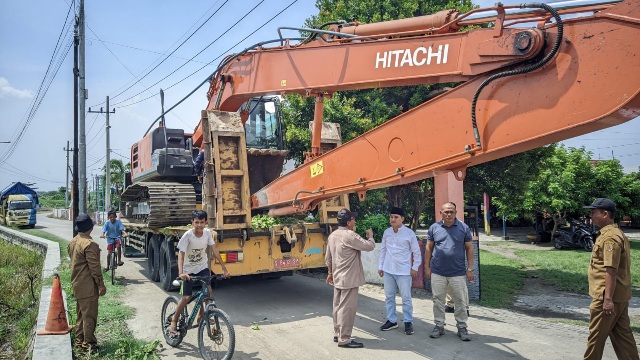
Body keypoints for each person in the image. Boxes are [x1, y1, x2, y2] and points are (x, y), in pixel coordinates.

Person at [582, 198, 639, 360]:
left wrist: (607, 299)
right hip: (619, 296)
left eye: (593, 212)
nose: (591, 216)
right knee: (623, 339)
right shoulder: (616, 233)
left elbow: (611, 270)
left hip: (606, 298)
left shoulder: (610, 238)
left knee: (595, 339)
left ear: (605, 214)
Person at [168, 210, 230, 338]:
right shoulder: (188, 236)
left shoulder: (207, 233)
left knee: (208, 292)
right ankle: (174, 321)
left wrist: (224, 268)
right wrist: (181, 272)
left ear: (206, 223)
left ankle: (202, 315)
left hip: (202, 267)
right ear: (192, 223)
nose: (199, 225)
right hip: (188, 270)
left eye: (202, 222)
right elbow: (181, 255)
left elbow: (214, 250)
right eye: (197, 222)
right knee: (186, 298)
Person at [326, 208, 375, 348]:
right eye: (353, 219)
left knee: (337, 307)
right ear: (348, 222)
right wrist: (370, 236)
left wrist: (330, 273)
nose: (355, 221)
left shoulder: (333, 235)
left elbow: (328, 258)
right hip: (349, 278)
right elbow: (369, 246)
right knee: (347, 309)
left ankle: (337, 333)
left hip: (337, 277)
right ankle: (345, 338)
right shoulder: (349, 235)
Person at [425, 202, 474, 341]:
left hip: (458, 273)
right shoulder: (434, 228)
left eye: (451, 211)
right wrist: (427, 268)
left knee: (460, 301)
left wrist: (470, 268)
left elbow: (470, 249)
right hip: (438, 272)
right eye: (446, 211)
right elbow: (429, 248)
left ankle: (462, 327)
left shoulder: (463, 228)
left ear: (456, 212)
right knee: (438, 301)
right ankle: (439, 326)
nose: (449, 214)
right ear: (441, 213)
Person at [378, 207, 421, 335]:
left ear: (402, 218)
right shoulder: (387, 232)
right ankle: (392, 320)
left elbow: (416, 252)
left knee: (406, 298)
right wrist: (380, 266)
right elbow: (383, 250)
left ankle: (408, 321)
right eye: (391, 217)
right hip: (388, 270)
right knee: (389, 297)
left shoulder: (409, 233)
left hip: (404, 272)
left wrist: (415, 267)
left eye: (396, 217)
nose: (393, 219)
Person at [68, 213, 106, 352]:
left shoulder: (73, 241)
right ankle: (88, 344)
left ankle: (79, 341)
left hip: (77, 283)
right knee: (89, 316)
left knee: (81, 315)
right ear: (89, 228)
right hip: (88, 286)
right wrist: (101, 285)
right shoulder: (89, 244)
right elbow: (94, 268)